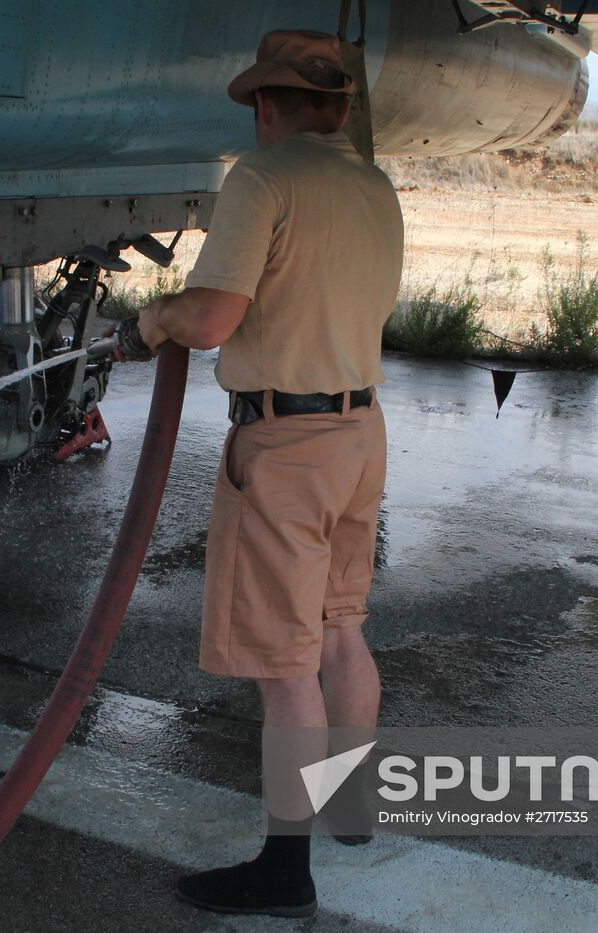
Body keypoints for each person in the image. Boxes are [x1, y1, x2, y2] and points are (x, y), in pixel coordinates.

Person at [111, 28, 404, 918]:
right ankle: (350, 807)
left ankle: (285, 870)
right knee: (343, 631)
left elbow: (212, 317)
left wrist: (153, 319)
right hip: (361, 434)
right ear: (342, 108)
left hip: (286, 450)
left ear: (267, 106)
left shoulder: (263, 177)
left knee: (286, 667)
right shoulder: (374, 185)